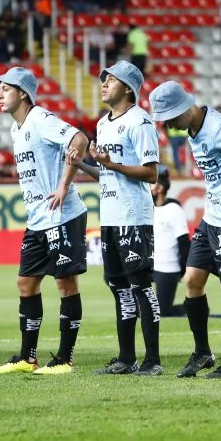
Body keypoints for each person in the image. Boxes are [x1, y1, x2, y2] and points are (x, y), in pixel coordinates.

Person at [148, 81, 221, 379]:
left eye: (172, 117)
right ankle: (203, 353)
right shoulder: (191, 132)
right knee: (191, 280)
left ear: (186, 107)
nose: (170, 125)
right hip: (212, 217)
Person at [0, 67, 90, 376]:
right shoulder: (16, 129)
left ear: (22, 93)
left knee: (65, 282)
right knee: (26, 282)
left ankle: (64, 358)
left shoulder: (40, 119)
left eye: (5, 89)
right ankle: (27, 357)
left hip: (63, 214)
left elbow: (79, 138)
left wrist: (63, 185)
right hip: (38, 220)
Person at [74, 61, 161, 376]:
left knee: (140, 287)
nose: (103, 84)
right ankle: (127, 358)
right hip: (109, 217)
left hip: (134, 216)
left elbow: (151, 172)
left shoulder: (140, 122)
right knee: (118, 287)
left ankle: (152, 360)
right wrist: (82, 164)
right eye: (103, 80)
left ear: (128, 87)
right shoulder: (102, 124)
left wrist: (112, 165)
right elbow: (106, 173)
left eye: (110, 80)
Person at [151, 166, 189, 317]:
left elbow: (184, 242)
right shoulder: (147, 208)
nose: (148, 188)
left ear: (160, 188)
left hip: (168, 267)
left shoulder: (174, 210)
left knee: (162, 312)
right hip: (149, 265)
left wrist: (184, 270)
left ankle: (192, 307)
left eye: (151, 184)